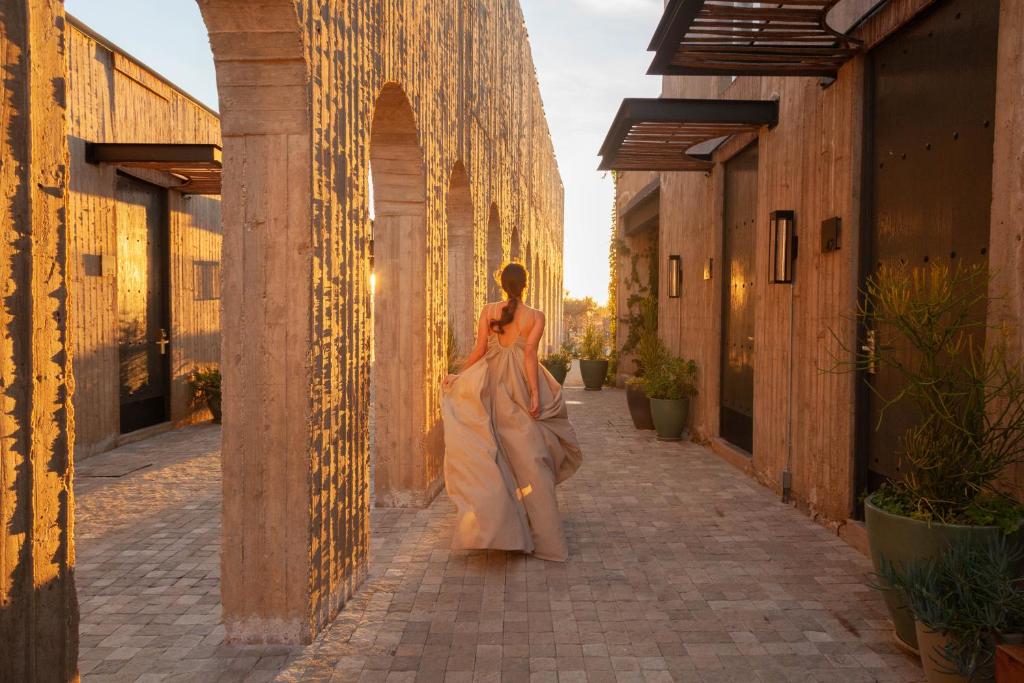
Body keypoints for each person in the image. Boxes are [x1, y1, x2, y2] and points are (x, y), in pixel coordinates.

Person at [441, 262, 583, 561]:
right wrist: (534, 393)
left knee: (494, 454)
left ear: (502, 284)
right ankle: (542, 536)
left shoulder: (489, 310)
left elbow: (479, 350)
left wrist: (458, 375)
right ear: (526, 284)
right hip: (517, 384)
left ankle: (500, 527)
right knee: (530, 458)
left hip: (489, 383)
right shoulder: (535, 316)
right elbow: (529, 354)